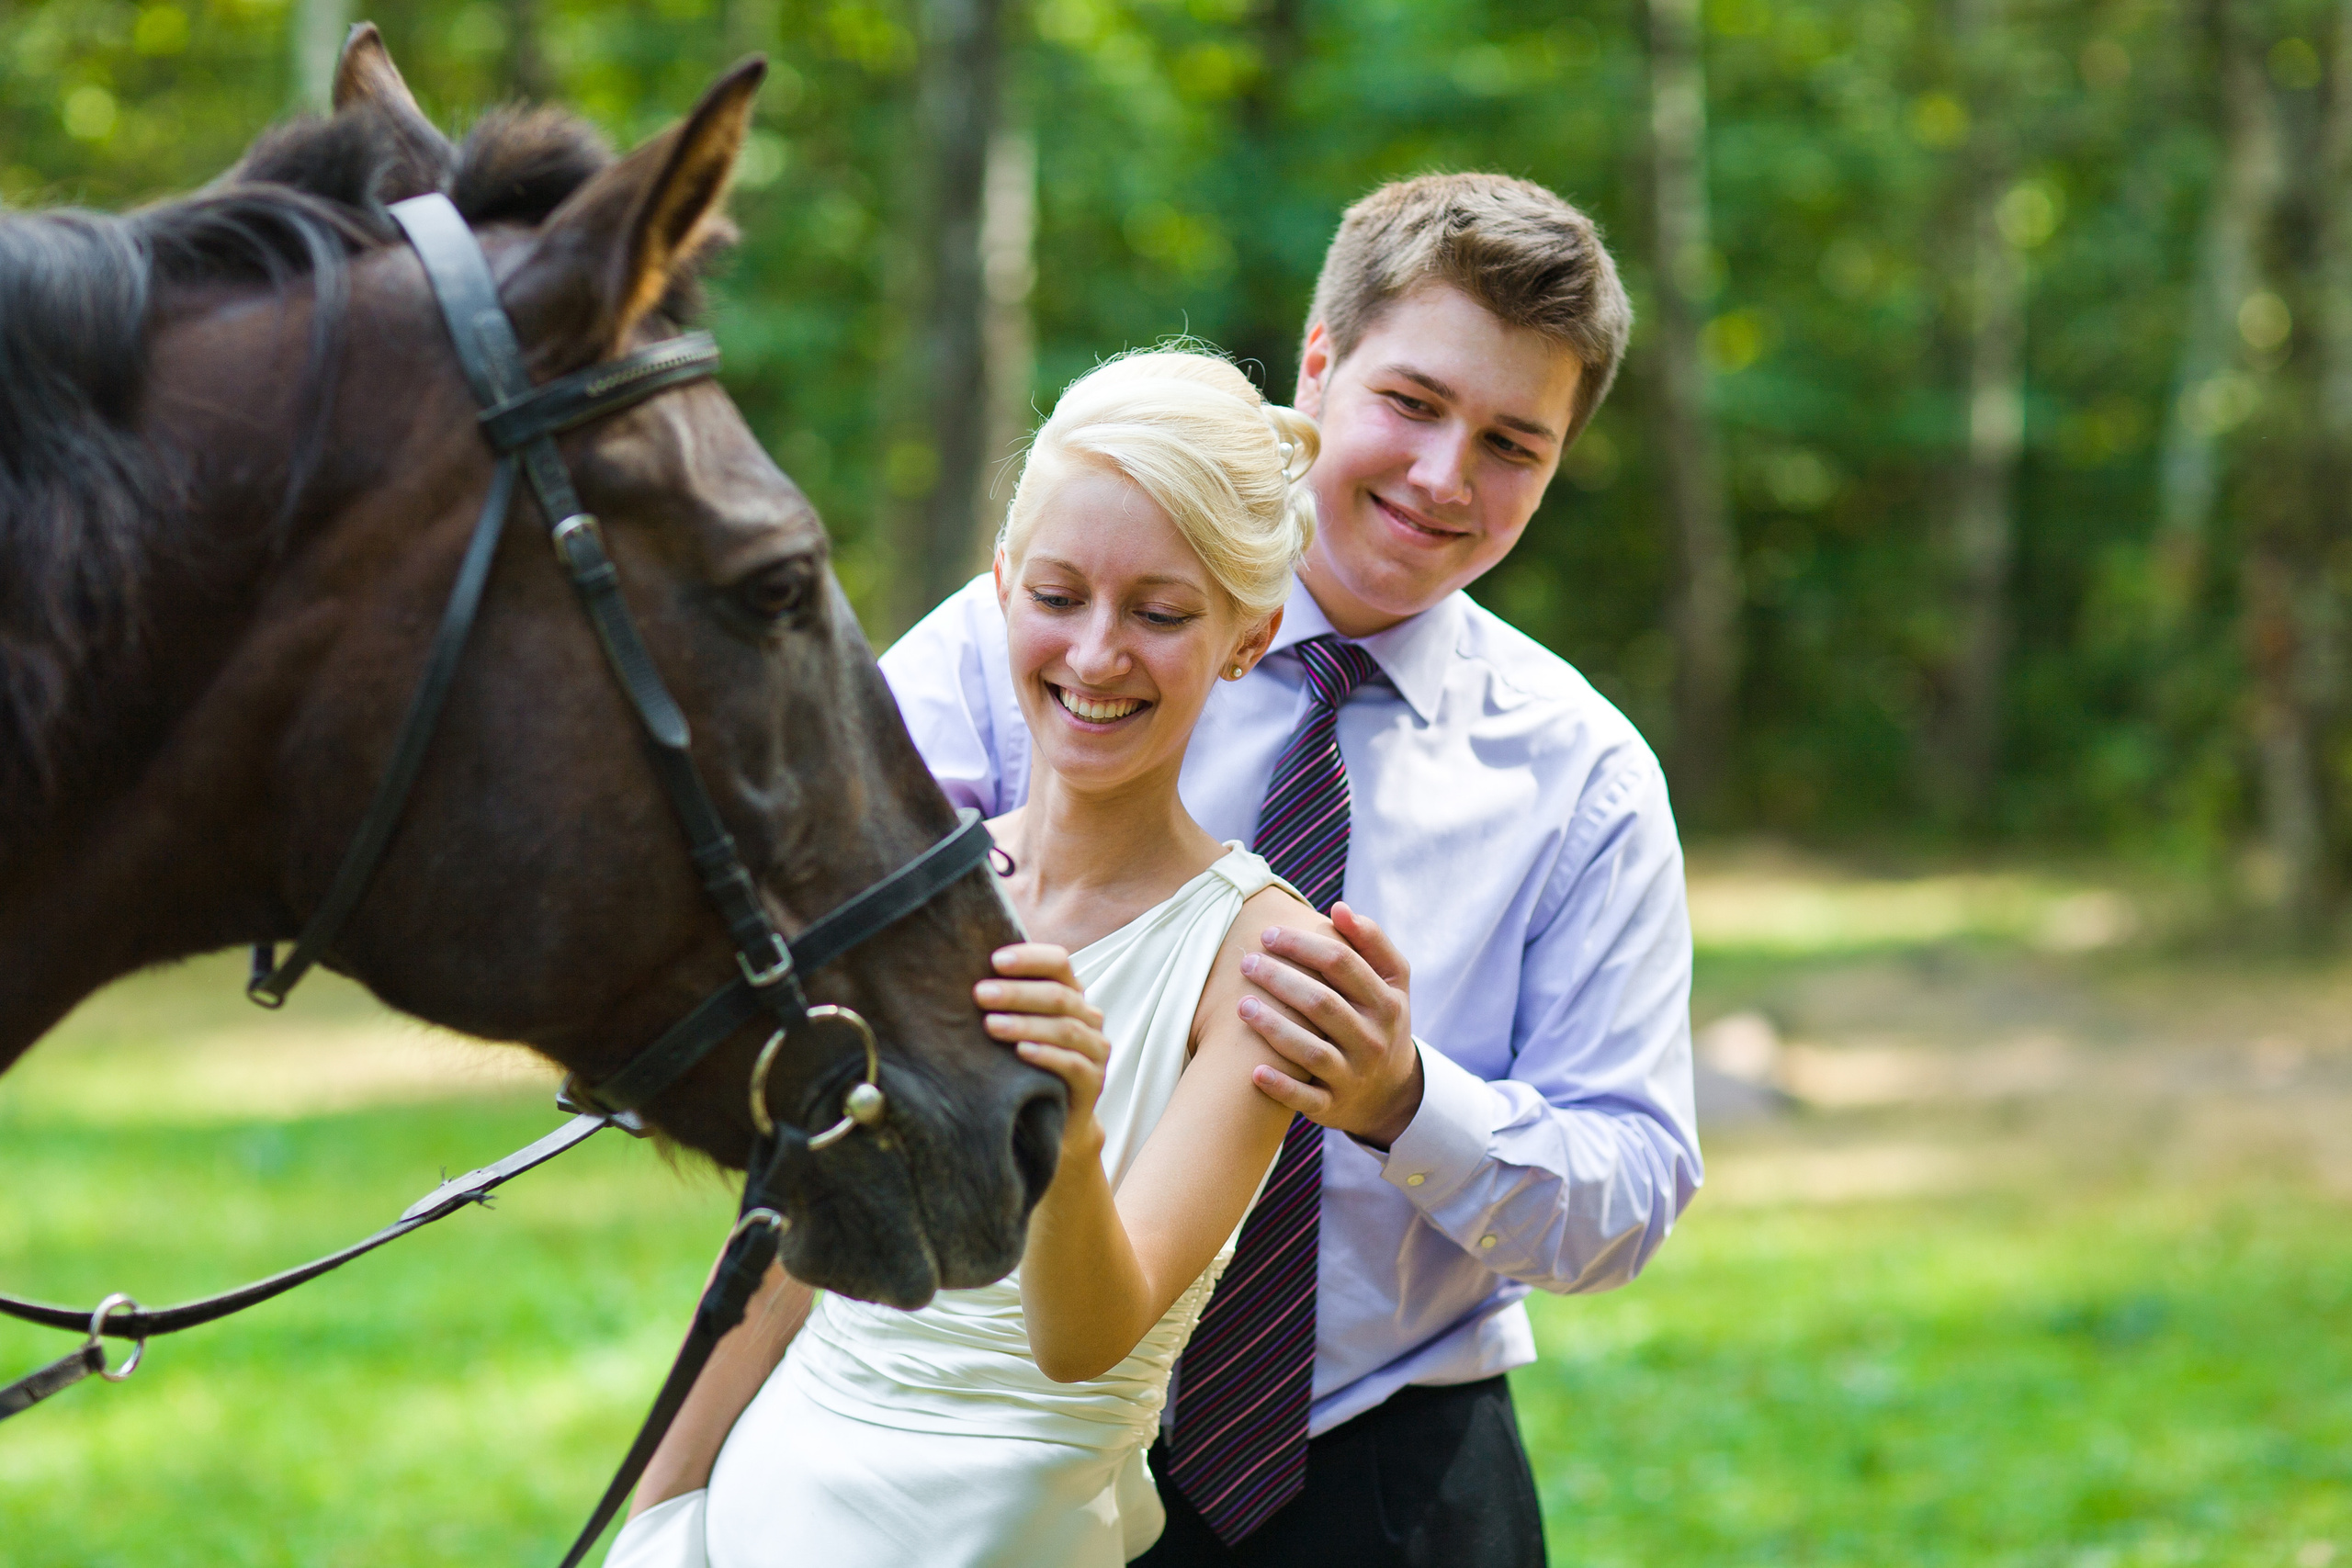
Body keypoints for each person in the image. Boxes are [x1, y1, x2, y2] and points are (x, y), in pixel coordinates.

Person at [882, 173, 1703, 1567]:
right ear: (1318, 365)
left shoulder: (1587, 781)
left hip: (1384, 1475)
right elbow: (821, 956)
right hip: (995, 1455)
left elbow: (1625, 1197)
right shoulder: (1036, 638)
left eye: (1513, 442)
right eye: (1413, 403)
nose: (1446, 476)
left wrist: (1408, 1100)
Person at [605, 349, 1340, 1567]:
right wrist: (661, 1515)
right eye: (1059, 596)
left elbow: (1083, 1340)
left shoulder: (1262, 965)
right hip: (770, 1500)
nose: (1098, 654)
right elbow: (784, 1255)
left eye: (1159, 614)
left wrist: (1076, 1129)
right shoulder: (905, 894)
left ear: (1247, 635)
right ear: (1001, 588)